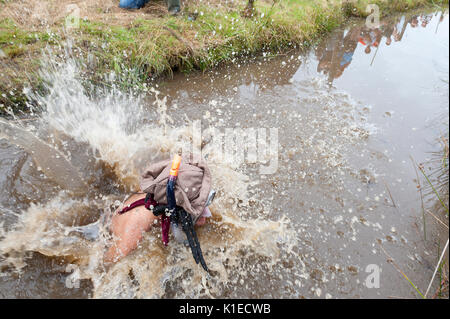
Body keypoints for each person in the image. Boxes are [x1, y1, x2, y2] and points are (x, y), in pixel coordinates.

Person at [104, 155, 214, 270]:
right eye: (198, 213)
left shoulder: (162, 189)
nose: (203, 221)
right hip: (109, 234)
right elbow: (108, 264)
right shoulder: (136, 227)